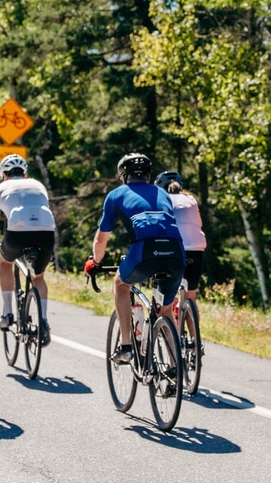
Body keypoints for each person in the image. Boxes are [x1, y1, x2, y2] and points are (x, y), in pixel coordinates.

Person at [84, 153, 185, 364]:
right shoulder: (163, 193)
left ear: (123, 176)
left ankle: (127, 346)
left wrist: (96, 262)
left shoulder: (115, 195)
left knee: (121, 284)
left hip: (145, 252)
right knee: (166, 310)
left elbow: (101, 239)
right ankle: (177, 367)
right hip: (176, 252)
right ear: (148, 176)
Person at [0, 154, 56, 346]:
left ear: (3, 174)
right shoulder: (38, 185)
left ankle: (7, 312)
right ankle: (43, 321)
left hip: (17, 233)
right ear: (25, 173)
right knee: (38, 278)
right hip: (46, 232)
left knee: (5, 262)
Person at [154, 170, 207, 304]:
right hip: (196, 250)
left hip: (173, 249)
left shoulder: (161, 200)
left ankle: (167, 320)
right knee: (191, 299)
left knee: (165, 297)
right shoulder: (191, 199)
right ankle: (193, 323)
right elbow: (199, 223)